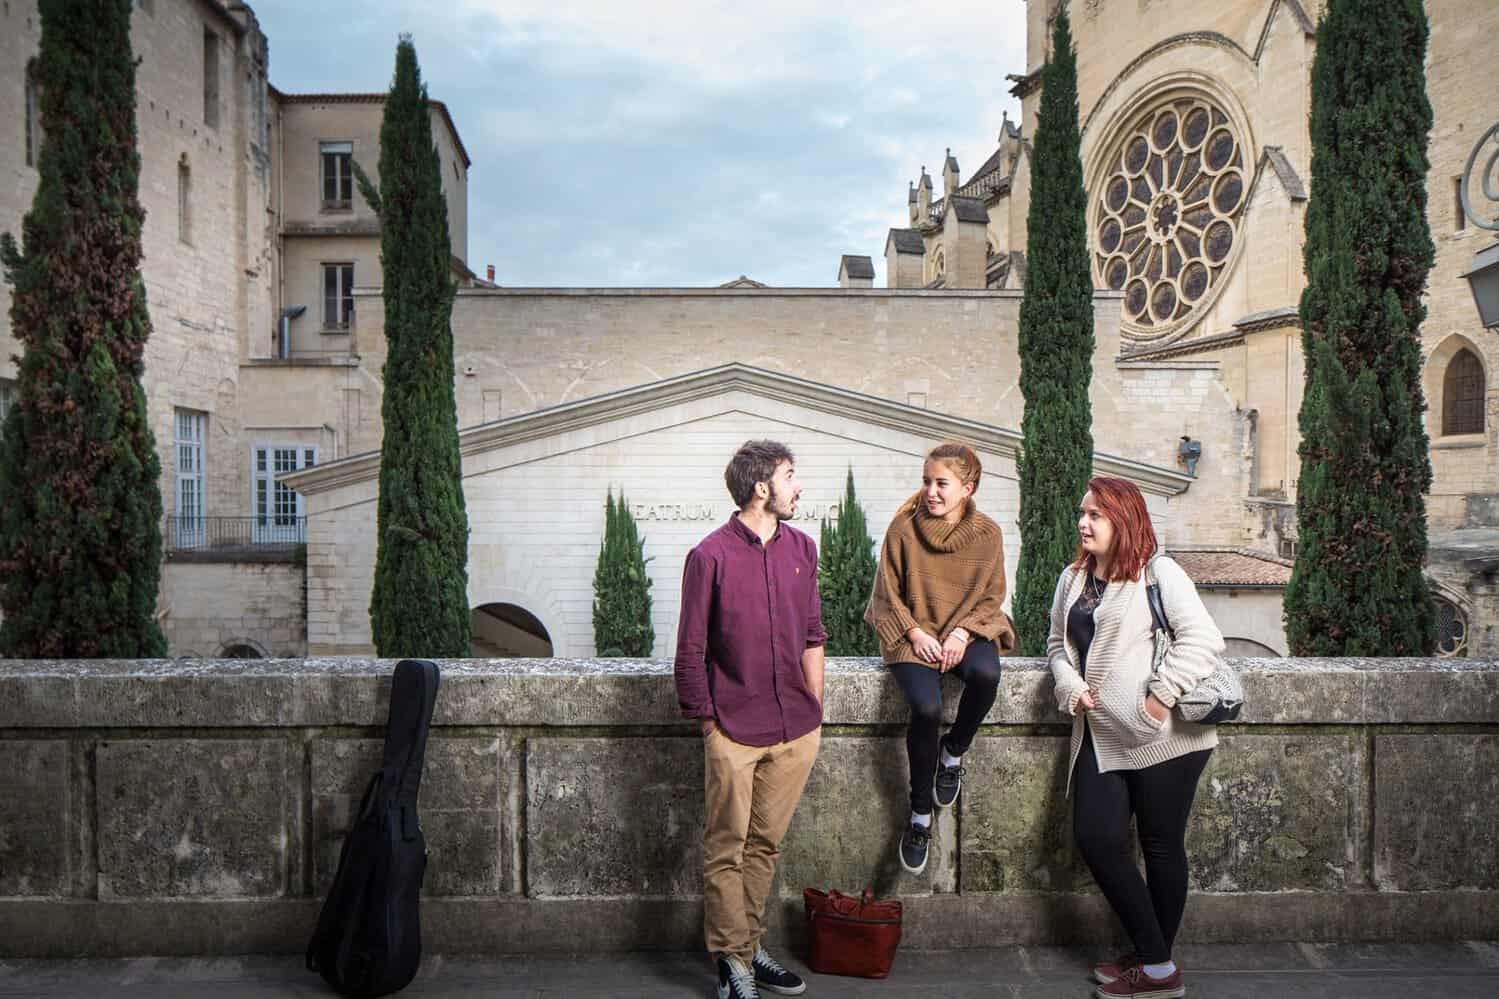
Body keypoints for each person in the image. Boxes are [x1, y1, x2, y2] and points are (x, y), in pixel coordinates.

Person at [1046, 476, 1225, 999]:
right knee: (1096, 837)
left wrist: (1159, 696)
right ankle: (1154, 956)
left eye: (1096, 515)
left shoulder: (1158, 573)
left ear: (1123, 520)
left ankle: (1155, 967)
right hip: (1101, 736)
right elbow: (1056, 646)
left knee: (1161, 846)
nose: (1083, 522)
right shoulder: (1071, 579)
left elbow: (1203, 640)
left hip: (1164, 738)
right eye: (1083, 513)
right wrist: (1068, 682)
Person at [674, 439, 826, 999]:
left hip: (795, 728)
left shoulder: (803, 549)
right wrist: (709, 726)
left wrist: (815, 712)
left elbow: (813, 634)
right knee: (726, 847)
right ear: (762, 487)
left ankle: (748, 947)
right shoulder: (708, 556)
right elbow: (690, 651)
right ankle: (732, 962)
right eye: (791, 475)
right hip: (733, 729)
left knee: (765, 846)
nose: (798, 486)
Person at [864, 442, 1015, 875]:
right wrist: (914, 632)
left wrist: (964, 632)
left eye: (941, 483)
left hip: (965, 629)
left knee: (986, 674)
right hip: (913, 634)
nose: (931, 491)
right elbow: (886, 596)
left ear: (968, 488)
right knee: (927, 708)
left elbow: (992, 597)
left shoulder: (988, 534)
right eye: (927, 481)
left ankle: (954, 752)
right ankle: (919, 817)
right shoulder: (902, 530)